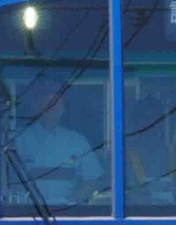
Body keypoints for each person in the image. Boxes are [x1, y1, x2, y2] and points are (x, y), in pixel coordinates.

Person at [11, 79, 106, 209]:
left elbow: (92, 181)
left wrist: (68, 201)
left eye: (56, 102)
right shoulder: (18, 139)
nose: (51, 107)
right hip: (25, 215)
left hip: (66, 214)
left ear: (63, 107)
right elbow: (5, 182)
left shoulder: (77, 141)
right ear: (36, 106)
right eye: (46, 102)